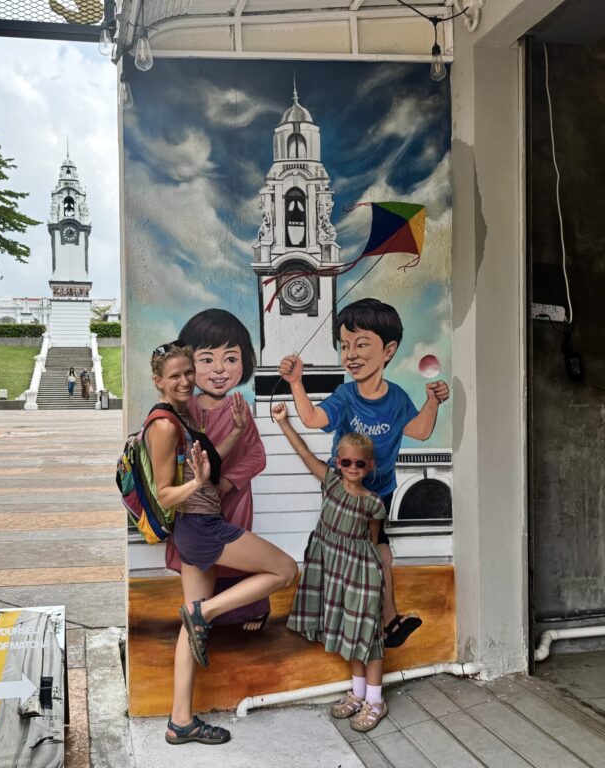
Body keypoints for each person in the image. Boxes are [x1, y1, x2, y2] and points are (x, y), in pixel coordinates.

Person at [146, 342, 297, 746]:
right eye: (174, 375)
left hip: (198, 528)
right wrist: (195, 484)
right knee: (285, 571)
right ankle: (205, 611)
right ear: (158, 380)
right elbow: (164, 494)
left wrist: (233, 432)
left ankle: (180, 722)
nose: (184, 381)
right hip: (202, 529)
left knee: (190, 624)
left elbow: (211, 462)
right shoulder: (163, 425)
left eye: (186, 373)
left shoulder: (183, 417)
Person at [279, 298, 449, 647]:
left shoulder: (398, 397)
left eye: (360, 344)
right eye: (344, 346)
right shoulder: (345, 395)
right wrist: (297, 383)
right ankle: (379, 623)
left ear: (388, 350)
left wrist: (433, 401)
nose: (350, 354)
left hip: (379, 495)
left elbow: (419, 431)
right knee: (367, 555)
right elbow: (313, 420)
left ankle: (384, 623)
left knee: (376, 555)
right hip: (344, 494)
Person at [273, 401, 388, 732]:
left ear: (369, 466)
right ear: (338, 462)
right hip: (334, 569)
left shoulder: (373, 503)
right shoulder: (331, 482)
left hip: (362, 574)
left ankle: (375, 701)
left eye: (360, 463)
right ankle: (358, 694)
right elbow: (306, 454)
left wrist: (380, 586)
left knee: (369, 636)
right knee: (350, 634)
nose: (353, 467)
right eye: (347, 461)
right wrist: (283, 422)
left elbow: (372, 542)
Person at [169, 308, 271, 632]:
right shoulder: (184, 410)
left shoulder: (239, 409)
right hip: (195, 503)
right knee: (203, 559)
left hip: (232, 499)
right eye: (207, 359)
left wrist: (228, 482)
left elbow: (257, 455)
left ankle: (251, 609)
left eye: (230, 359)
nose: (219, 370)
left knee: (237, 558)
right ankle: (205, 614)